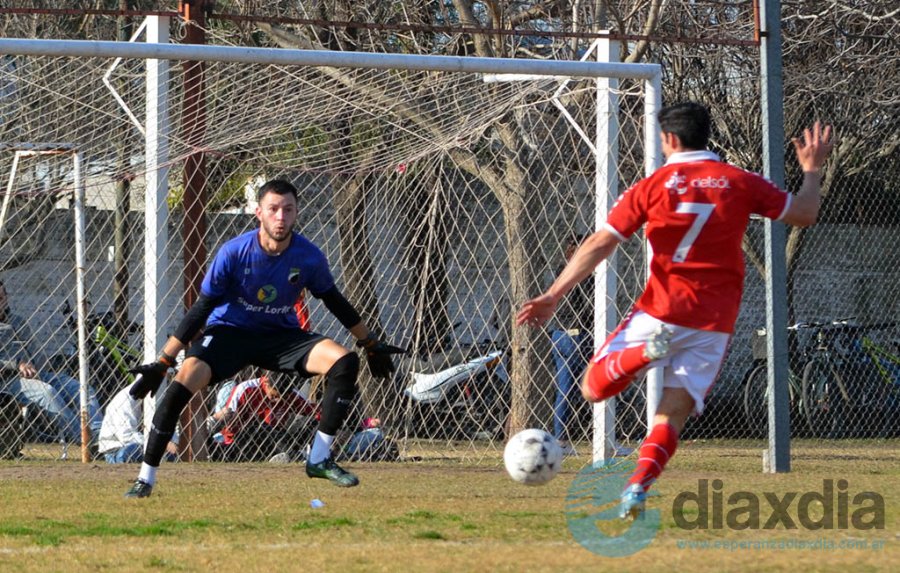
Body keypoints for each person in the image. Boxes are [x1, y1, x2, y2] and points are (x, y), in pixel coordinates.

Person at [516, 102, 833, 520]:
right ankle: (636, 487)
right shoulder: (741, 182)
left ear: (668, 139)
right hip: (713, 324)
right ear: (707, 136)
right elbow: (805, 213)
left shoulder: (653, 185)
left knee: (593, 388)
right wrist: (811, 169)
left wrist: (554, 293)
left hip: (661, 312)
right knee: (671, 414)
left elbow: (600, 243)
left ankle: (644, 354)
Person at [124, 179, 404, 498]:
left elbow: (334, 300)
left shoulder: (308, 257)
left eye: (288, 209)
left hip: (279, 336)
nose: (280, 217)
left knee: (344, 361)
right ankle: (145, 479)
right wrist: (164, 360)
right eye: (273, 209)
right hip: (230, 334)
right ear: (259, 213)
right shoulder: (234, 253)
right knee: (182, 382)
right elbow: (201, 307)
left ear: (297, 213)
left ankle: (319, 458)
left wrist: (369, 343)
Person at [0, 280, 103, 442]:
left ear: (6, 297)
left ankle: (100, 434)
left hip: (37, 374)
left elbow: (35, 352)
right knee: (47, 392)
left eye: (1, 297)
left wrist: (40, 365)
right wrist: (17, 364)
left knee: (81, 388)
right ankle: (83, 439)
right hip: (7, 381)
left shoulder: (18, 321)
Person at [207, 371, 317, 462]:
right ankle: (295, 456)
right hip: (242, 439)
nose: (278, 400)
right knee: (256, 424)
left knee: (316, 422)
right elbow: (228, 414)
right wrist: (213, 421)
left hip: (278, 439)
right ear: (266, 383)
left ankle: (294, 454)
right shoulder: (246, 389)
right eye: (274, 395)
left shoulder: (292, 395)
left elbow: (316, 412)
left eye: (282, 397)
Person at [549, 233, 594, 456]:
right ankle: (562, 442)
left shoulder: (560, 272)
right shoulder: (582, 274)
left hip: (560, 334)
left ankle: (562, 440)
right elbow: (587, 307)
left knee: (565, 389)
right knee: (581, 387)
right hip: (576, 336)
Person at [98, 384, 179, 463]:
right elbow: (126, 436)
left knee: (171, 453)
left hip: (146, 444)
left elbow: (169, 425)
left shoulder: (161, 395)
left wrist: (171, 442)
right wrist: (160, 444)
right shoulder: (125, 399)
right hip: (118, 447)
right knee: (131, 451)